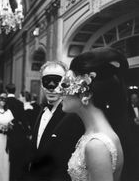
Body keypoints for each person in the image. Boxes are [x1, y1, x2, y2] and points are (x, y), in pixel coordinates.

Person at [59, 47, 138, 181]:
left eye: (65, 84)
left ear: (86, 95)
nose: (58, 90)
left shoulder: (97, 145)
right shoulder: (97, 136)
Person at [29, 61, 84, 181]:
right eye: (46, 81)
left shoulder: (73, 116)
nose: (51, 86)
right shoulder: (41, 109)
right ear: (41, 84)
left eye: (57, 80)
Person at [5, 83, 30, 181]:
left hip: (3, 133)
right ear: (14, 91)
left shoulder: (4, 101)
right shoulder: (19, 103)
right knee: (15, 160)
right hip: (17, 134)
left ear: (6, 90)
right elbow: (24, 120)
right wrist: (28, 132)